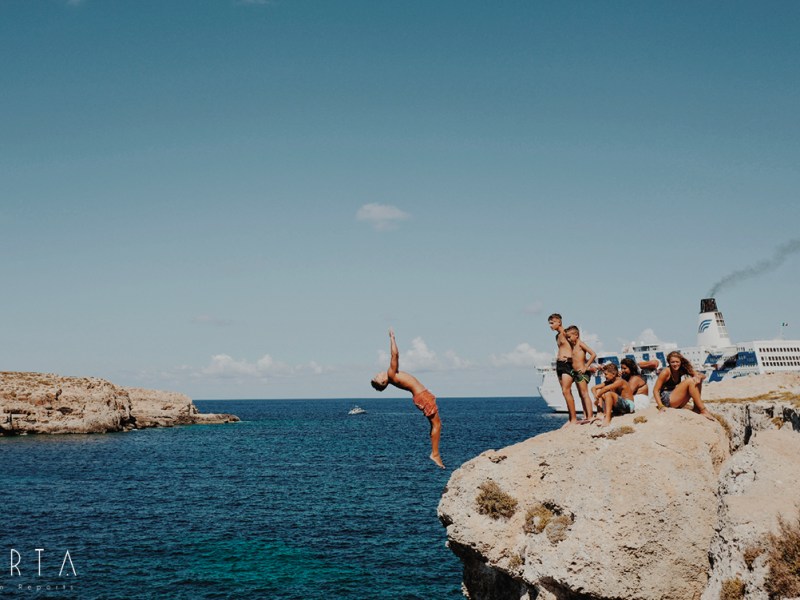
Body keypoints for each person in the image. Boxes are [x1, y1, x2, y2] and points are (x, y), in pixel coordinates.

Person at [371, 328, 445, 468]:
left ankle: (435, 453)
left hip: (422, 396)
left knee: (435, 424)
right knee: (437, 425)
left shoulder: (393, 376)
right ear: (383, 382)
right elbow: (395, 355)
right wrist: (392, 338)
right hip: (423, 397)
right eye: (377, 377)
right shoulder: (391, 374)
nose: (378, 374)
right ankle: (435, 454)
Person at [652, 350, 714, 421]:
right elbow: (655, 390)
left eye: (677, 362)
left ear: (680, 362)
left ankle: (697, 408)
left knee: (696, 380)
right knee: (690, 380)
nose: (675, 364)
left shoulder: (681, 370)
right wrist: (661, 406)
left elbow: (702, 375)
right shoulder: (665, 372)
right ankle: (703, 410)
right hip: (667, 400)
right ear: (669, 362)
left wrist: (699, 377)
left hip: (676, 400)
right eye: (673, 362)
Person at [548, 313, 580, 425]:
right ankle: (571, 418)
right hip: (559, 364)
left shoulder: (566, 334)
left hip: (567, 364)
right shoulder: (557, 336)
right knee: (565, 392)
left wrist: (572, 358)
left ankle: (574, 419)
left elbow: (576, 347)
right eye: (549, 323)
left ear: (559, 322)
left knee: (566, 390)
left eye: (552, 323)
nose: (550, 326)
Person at [564, 325, 597, 422]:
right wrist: (569, 359)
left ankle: (590, 416)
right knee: (581, 395)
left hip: (582, 372)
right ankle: (586, 415)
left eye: (569, 337)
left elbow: (593, 354)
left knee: (584, 393)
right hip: (576, 373)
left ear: (576, 335)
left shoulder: (580, 344)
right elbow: (578, 357)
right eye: (567, 338)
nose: (568, 339)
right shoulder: (574, 346)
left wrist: (586, 366)